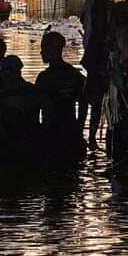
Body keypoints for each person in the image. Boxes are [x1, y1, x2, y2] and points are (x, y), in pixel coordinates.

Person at [35, 31, 87, 162]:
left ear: (51, 50)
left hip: (51, 134)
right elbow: (84, 104)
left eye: (43, 49)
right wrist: (79, 129)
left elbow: (35, 109)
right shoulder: (75, 75)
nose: (41, 53)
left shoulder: (44, 79)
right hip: (71, 131)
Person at [0, 55, 46, 162]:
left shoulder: (3, 95)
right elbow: (49, 118)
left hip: (9, 151)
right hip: (33, 146)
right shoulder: (35, 91)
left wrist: (11, 143)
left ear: (7, 72)